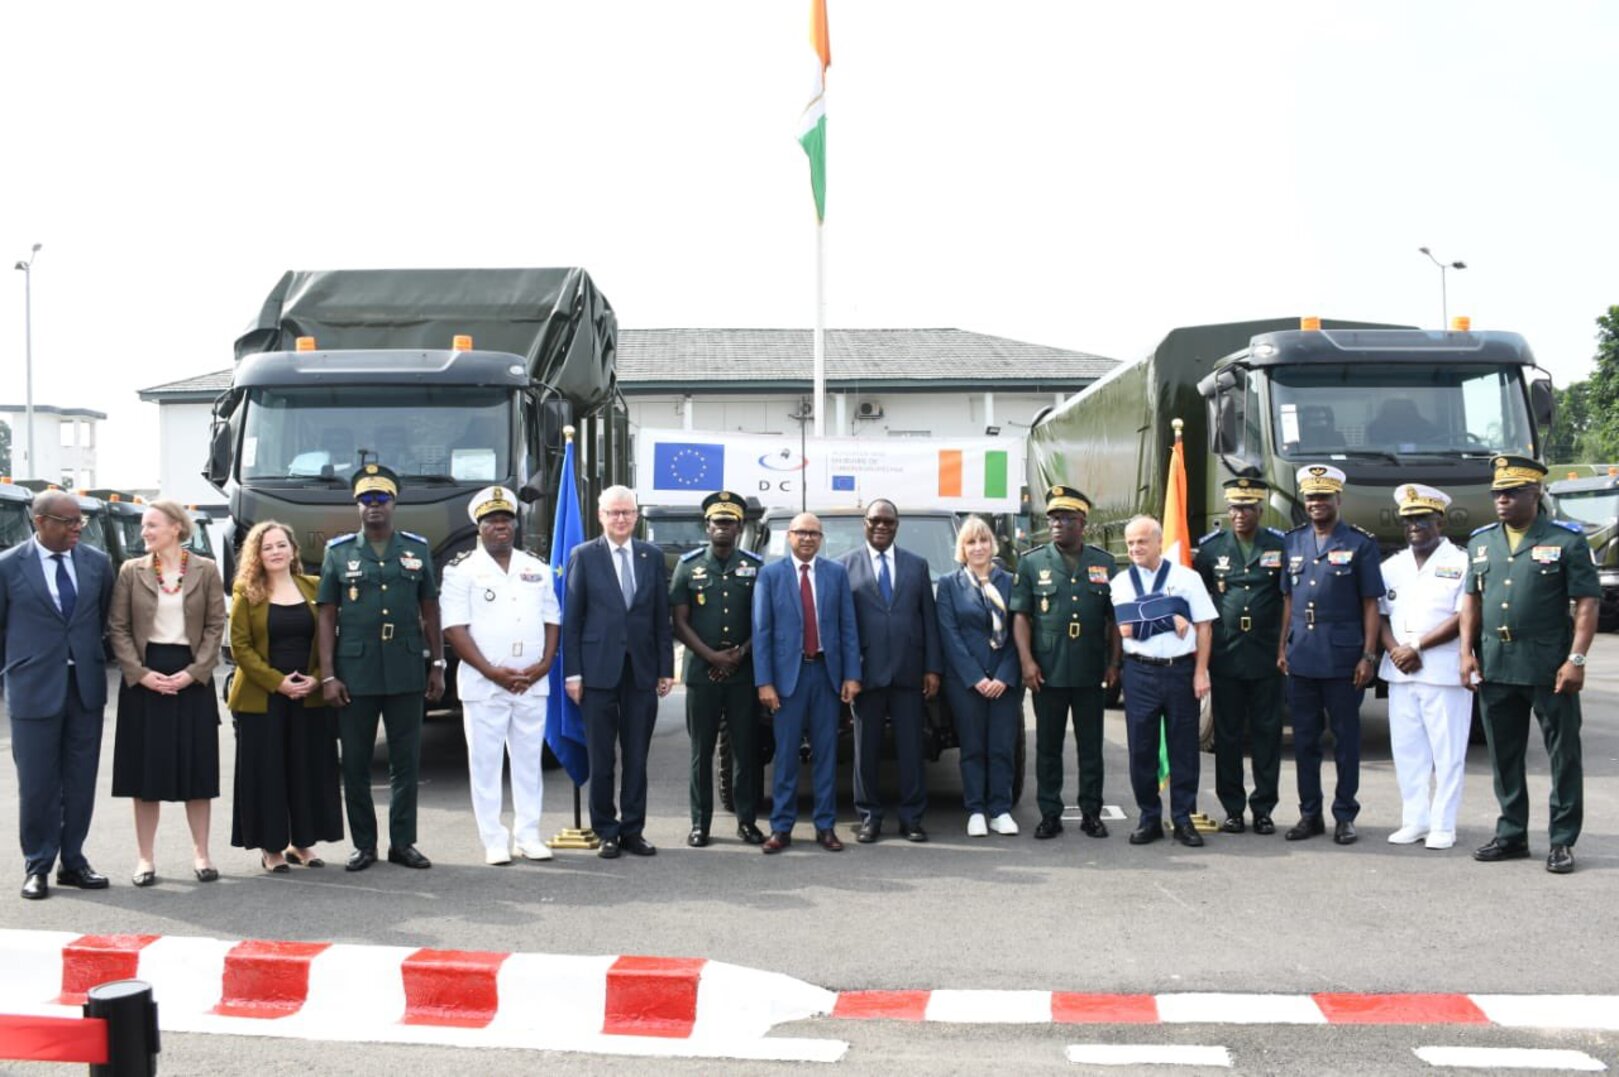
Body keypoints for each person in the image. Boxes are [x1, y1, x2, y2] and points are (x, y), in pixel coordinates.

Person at [1460, 455, 1599, 874]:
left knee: (1563, 754)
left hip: (1548, 666)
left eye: (1512, 492)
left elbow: (1588, 602)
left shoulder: (1568, 540)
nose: (1501, 500)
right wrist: (1466, 652)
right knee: (1504, 755)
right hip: (1497, 664)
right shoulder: (1481, 542)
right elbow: (1472, 600)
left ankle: (1561, 840)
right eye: (1497, 493)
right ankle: (1512, 833)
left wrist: (1576, 659)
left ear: (1534, 493)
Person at [317, 463, 446, 872]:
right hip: (355, 672)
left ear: (394, 502)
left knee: (405, 761)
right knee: (354, 762)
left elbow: (430, 607)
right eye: (366, 500)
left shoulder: (415, 549)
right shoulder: (338, 552)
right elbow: (326, 614)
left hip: (406, 667)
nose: (374, 506)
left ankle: (403, 842)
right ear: (357, 505)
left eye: (381, 499)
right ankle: (365, 845)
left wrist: (438, 664)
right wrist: (328, 674)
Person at [1, 491, 115, 901]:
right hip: (32, 691)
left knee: (80, 781)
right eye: (68, 521)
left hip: (84, 689)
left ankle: (74, 860)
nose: (77, 527)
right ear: (40, 522)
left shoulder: (98, 563)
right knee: (37, 785)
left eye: (80, 520)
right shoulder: (8, 566)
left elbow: (100, 618)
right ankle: (38, 864)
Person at [108, 500, 228, 885]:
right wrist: (140, 674)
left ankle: (202, 855)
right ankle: (145, 859)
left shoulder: (206, 570)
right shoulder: (131, 571)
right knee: (144, 775)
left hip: (192, 679)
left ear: (176, 527)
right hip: (144, 680)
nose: (143, 532)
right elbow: (118, 628)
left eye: (151, 525)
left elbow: (215, 626)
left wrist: (194, 673)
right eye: (143, 526)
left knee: (198, 771)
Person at [442, 486, 561, 865]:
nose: (500, 527)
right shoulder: (461, 571)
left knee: (528, 764)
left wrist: (544, 665)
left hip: (531, 681)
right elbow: (454, 629)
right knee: (486, 764)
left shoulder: (536, 569)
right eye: (492, 522)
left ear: (515, 525)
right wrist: (493, 672)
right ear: (479, 527)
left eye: (506, 521)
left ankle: (528, 835)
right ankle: (494, 839)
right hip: (484, 685)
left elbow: (552, 619)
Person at [563, 485, 673, 860]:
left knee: (637, 755)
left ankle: (633, 830)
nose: (621, 519)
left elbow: (661, 617)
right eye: (614, 513)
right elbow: (572, 620)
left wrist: (665, 668)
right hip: (596, 673)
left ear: (636, 516)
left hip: (641, 671)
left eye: (627, 512)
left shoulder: (651, 556)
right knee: (601, 757)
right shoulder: (583, 555)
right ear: (601, 516)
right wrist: (572, 673)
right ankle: (606, 831)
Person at [226, 521, 343, 873]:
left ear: (293, 550)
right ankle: (271, 848)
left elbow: (333, 639)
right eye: (267, 547)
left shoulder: (314, 586)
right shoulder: (247, 590)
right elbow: (240, 647)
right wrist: (279, 683)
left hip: (309, 696)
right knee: (267, 773)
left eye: (281, 545)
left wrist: (318, 679)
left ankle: (302, 844)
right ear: (256, 555)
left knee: (305, 770)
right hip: (263, 698)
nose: (275, 552)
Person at [1278, 464, 1384, 845]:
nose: (1316, 503)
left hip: (1343, 657)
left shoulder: (1359, 543)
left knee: (1345, 739)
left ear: (1339, 499)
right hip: (1302, 656)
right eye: (1311, 497)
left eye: (1324, 496)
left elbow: (1371, 604)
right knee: (1304, 741)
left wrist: (1369, 656)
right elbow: (1288, 600)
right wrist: (1282, 647)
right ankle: (1310, 814)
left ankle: (1344, 815)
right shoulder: (1292, 542)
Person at [1010, 486, 1120, 841]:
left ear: (1082, 523)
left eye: (1066, 519)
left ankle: (1091, 812)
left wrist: (1114, 663)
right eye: (1053, 518)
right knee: (1048, 747)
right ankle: (1050, 813)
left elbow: (1114, 619)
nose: (1057, 524)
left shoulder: (1103, 563)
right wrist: (1026, 662)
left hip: (1090, 670)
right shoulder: (1032, 562)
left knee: (1091, 747)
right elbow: (1022, 616)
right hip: (1048, 671)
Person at [753, 512, 861, 854]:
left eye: (814, 533)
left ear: (821, 538)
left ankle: (825, 826)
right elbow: (762, 632)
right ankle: (781, 828)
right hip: (788, 678)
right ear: (789, 536)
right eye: (801, 532)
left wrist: (851, 675)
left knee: (826, 755)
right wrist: (765, 682)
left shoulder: (836, 574)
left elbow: (848, 628)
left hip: (826, 676)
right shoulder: (769, 576)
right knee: (785, 757)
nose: (808, 538)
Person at [838, 499, 942, 844]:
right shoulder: (844, 566)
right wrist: (849, 673)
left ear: (898, 526)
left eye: (889, 522)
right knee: (864, 751)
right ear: (864, 523)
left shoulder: (917, 565)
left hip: (909, 673)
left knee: (912, 749)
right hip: (866, 675)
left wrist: (932, 668)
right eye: (875, 521)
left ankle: (912, 817)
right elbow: (844, 626)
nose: (882, 527)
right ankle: (869, 816)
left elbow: (928, 619)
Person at [1111, 516, 1217, 847]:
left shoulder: (1187, 578)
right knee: (1141, 749)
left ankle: (1183, 818)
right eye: (1130, 543)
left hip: (1180, 671)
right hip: (1140, 671)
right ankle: (1149, 817)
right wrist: (1171, 615)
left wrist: (1201, 671)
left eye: (1142, 541)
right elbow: (1127, 628)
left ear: (1159, 543)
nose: (1135, 548)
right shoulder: (1121, 583)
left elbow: (1204, 626)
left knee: (1184, 747)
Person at [670, 491, 766, 848]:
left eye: (729, 522)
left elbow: (763, 621)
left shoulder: (756, 567)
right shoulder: (688, 565)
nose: (722, 528)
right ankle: (700, 824)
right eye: (716, 522)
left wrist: (739, 654)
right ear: (706, 526)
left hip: (743, 673)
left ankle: (746, 821)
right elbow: (679, 622)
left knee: (745, 750)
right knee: (701, 751)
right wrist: (713, 657)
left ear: (740, 527)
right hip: (702, 675)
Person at [1377, 484, 1471, 851]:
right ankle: (1415, 819)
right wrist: (1396, 649)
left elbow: (1464, 616)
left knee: (1447, 753)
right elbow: (1381, 615)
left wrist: (1416, 645)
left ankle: (1443, 824)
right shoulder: (1392, 566)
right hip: (1401, 672)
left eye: (1422, 519)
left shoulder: (1461, 562)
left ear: (1440, 521)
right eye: (1409, 520)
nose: (1415, 526)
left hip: (1443, 671)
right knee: (1408, 750)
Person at [1193, 477, 1287, 835]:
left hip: (1266, 656)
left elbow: (1287, 597)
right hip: (1227, 655)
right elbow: (1200, 600)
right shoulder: (1212, 548)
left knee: (1267, 734)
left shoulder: (1279, 544)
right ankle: (1232, 808)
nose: (1240, 514)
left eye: (1247, 507)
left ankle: (1263, 808)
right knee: (1228, 736)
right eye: (1234, 507)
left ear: (1260, 510)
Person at [936, 515, 1024, 837]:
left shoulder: (1012, 581)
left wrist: (1004, 675)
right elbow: (949, 635)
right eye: (971, 542)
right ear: (962, 547)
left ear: (993, 544)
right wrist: (976, 676)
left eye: (983, 540)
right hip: (966, 681)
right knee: (972, 747)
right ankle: (975, 809)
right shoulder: (949, 584)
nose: (978, 547)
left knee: (1002, 746)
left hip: (1005, 680)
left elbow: (1021, 632)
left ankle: (1000, 809)